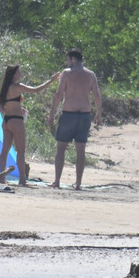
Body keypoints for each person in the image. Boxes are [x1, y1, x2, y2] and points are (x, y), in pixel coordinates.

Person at [0, 64, 61, 186]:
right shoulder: (18, 87)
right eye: (19, 72)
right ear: (14, 75)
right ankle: (22, 180)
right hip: (16, 121)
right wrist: (51, 80)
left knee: (4, 151)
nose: (21, 74)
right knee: (20, 152)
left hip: (6, 121)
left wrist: (17, 108)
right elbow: (36, 90)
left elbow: (2, 109)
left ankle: (1, 178)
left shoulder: (4, 88)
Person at [47, 49, 102, 190]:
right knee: (81, 151)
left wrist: (52, 113)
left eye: (68, 59)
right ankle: (78, 183)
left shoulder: (67, 73)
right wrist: (99, 114)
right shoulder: (91, 74)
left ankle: (57, 181)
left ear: (73, 59)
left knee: (61, 148)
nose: (67, 63)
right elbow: (97, 96)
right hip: (84, 115)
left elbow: (58, 95)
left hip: (69, 114)